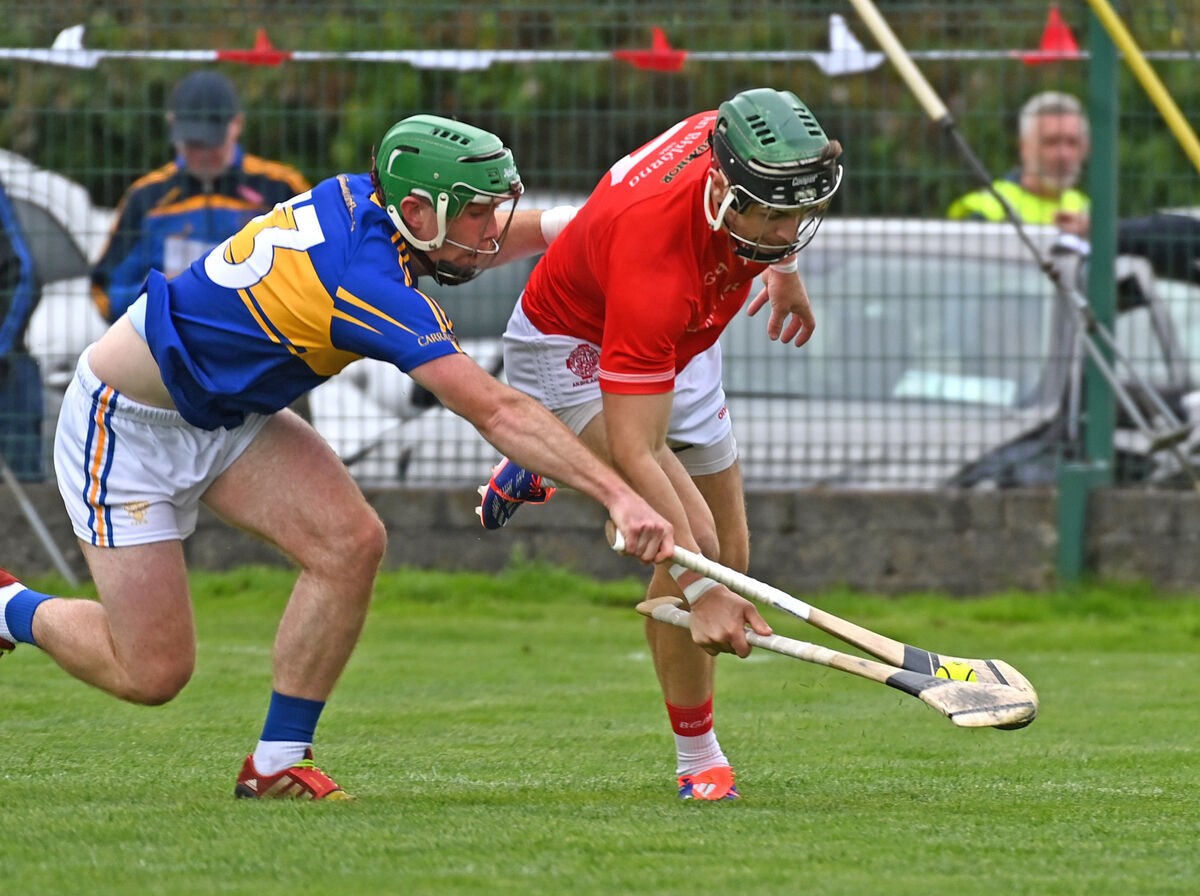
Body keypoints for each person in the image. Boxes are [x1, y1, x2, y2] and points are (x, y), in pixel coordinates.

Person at [0, 113, 693, 801]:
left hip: (227, 415)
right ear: (418, 211)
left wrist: (579, 228)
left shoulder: (371, 200)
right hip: (129, 428)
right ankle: (10, 608)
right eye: (478, 212)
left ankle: (276, 762)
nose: (490, 232)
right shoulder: (365, 283)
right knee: (151, 675)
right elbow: (496, 408)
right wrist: (620, 496)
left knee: (349, 543)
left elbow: (496, 245)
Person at [475, 87, 840, 800]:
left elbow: (776, 210)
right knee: (698, 552)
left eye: (799, 214)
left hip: (686, 330)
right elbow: (641, 452)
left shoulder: (741, 141)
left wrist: (783, 269)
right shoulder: (653, 259)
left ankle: (552, 458)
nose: (787, 229)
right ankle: (697, 757)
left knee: (731, 553)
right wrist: (702, 595)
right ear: (721, 189)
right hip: (575, 344)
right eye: (773, 217)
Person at [90, 70, 311, 324]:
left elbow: (319, 273)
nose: (203, 153)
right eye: (193, 142)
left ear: (236, 125)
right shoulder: (145, 198)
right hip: (169, 347)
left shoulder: (282, 189)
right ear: (172, 125)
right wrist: (157, 296)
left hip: (261, 340)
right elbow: (103, 289)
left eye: (212, 142)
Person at [947, 90, 1090, 235]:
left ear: (1085, 148)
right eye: (1051, 142)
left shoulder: (1087, 210)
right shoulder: (986, 209)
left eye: (1072, 143)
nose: (1063, 154)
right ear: (1024, 147)